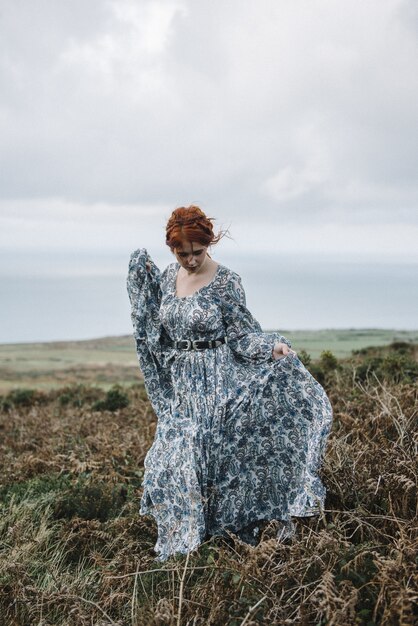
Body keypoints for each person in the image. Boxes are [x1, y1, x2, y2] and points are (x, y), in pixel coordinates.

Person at [126, 205, 333, 561]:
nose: (190, 260)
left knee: (213, 462)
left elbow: (242, 335)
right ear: (171, 248)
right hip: (182, 385)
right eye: (181, 253)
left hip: (217, 380)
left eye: (197, 252)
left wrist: (273, 348)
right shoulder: (165, 279)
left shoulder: (227, 282)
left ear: (209, 244)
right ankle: (181, 544)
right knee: (168, 462)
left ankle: (212, 542)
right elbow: (155, 331)